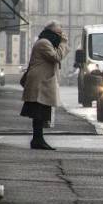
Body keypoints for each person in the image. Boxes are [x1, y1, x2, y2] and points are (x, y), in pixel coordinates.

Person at [20, 21, 69, 150]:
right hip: (39, 82)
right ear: (52, 32)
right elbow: (57, 57)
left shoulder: (46, 42)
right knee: (38, 111)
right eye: (59, 33)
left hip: (43, 81)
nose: (61, 36)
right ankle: (37, 139)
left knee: (41, 111)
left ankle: (38, 139)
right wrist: (63, 43)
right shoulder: (44, 43)